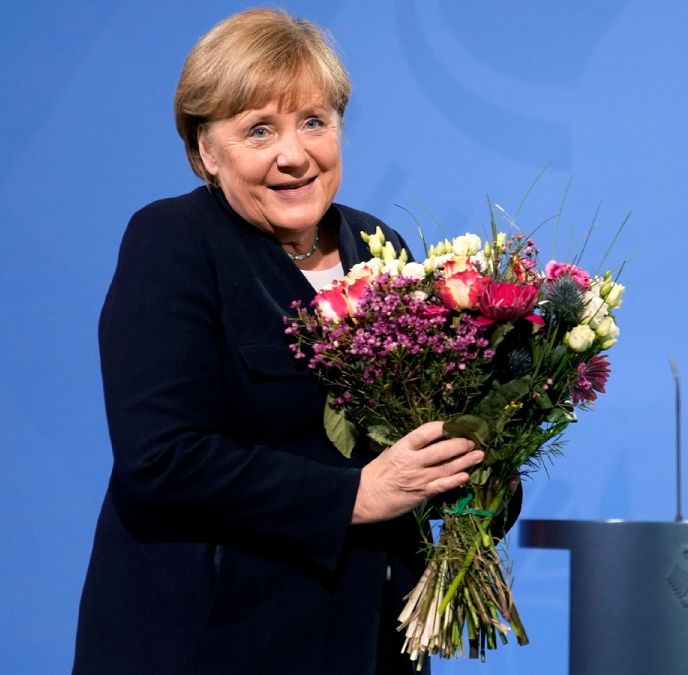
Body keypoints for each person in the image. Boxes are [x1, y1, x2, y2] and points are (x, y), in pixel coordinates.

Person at [73, 9, 491, 674]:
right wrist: (352, 495)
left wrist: (479, 465)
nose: (293, 154)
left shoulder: (380, 247)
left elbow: (410, 448)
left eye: (313, 122)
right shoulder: (174, 241)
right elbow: (160, 458)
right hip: (213, 642)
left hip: (368, 642)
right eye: (258, 130)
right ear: (208, 150)